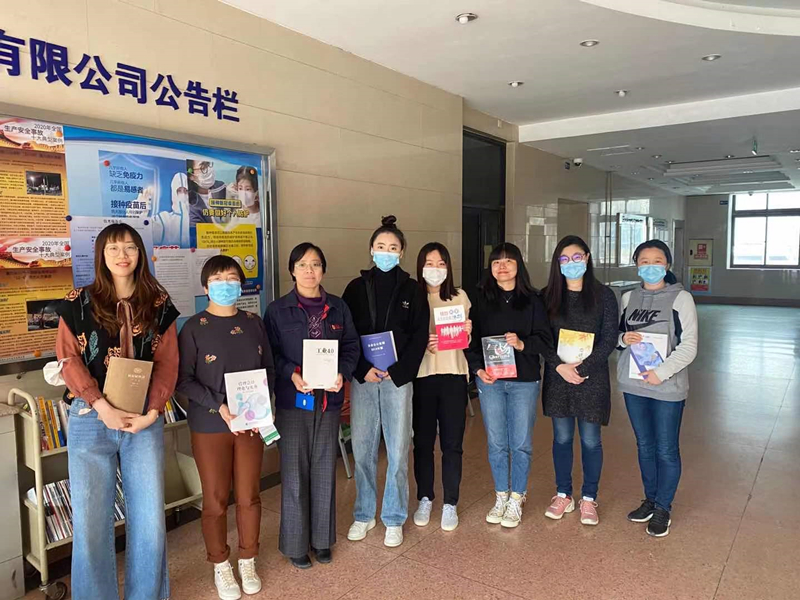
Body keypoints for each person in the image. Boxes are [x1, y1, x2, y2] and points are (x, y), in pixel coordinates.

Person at [56, 223, 179, 600]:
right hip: (91, 418)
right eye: (113, 248)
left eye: (130, 247)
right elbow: (67, 358)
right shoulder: (78, 301)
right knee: (91, 522)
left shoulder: (158, 302)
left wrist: (154, 412)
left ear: (140, 254)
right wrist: (100, 405)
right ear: (101, 255)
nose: (122, 255)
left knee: (149, 519)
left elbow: (168, 363)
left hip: (143, 418)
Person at [177, 255, 275, 599]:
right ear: (206, 287)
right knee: (216, 499)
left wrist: (260, 410)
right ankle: (221, 564)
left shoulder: (253, 322)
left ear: (241, 285)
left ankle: (248, 558)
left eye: (232, 278)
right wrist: (219, 405)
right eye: (218, 279)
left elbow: (268, 368)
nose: (226, 284)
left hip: (249, 424)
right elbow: (183, 380)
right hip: (210, 425)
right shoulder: (193, 327)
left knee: (249, 495)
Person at [265, 242, 359, 569]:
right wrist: (291, 373)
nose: (309, 270)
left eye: (315, 264)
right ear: (292, 270)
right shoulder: (277, 310)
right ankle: (295, 544)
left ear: (323, 270)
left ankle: (321, 541)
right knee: (294, 472)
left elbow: (351, 346)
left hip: (328, 400)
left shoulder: (338, 307)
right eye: (302, 265)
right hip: (294, 400)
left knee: (323, 469)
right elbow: (270, 354)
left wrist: (342, 373)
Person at [342, 216, 429, 548]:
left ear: (402, 252)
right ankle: (364, 513)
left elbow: (419, 336)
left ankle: (394, 517)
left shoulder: (412, 290)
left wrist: (399, 371)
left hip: (397, 379)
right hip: (364, 378)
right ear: (371, 249)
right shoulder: (354, 288)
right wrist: (361, 368)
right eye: (381, 246)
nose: (386, 252)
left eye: (393, 247)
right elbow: (346, 334)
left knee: (397, 448)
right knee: (363, 448)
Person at [465, 242, 552, 528]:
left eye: (508, 261)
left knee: (521, 443)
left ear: (518, 265)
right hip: (490, 381)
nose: (502, 267)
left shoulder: (534, 300)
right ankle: (501, 495)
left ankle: (518, 496)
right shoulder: (480, 299)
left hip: (524, 381)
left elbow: (545, 340)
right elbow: (470, 342)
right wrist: (477, 369)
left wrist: (522, 343)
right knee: (497, 442)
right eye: (496, 262)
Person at [618, 239, 698, 538]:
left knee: (666, 448)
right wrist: (622, 339)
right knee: (644, 445)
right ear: (636, 265)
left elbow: (689, 345)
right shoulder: (628, 297)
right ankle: (650, 500)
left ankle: (664, 506)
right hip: (634, 384)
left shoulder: (681, 299)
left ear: (667, 265)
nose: (650, 267)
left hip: (667, 387)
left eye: (657, 261)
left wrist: (661, 372)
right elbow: (617, 335)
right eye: (644, 261)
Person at [540, 236, 618, 526]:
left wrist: (583, 368)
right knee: (561, 438)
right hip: (558, 377)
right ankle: (563, 494)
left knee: (590, 440)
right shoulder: (547, 296)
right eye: (564, 259)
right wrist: (560, 366)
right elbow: (541, 338)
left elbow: (609, 338)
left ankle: (588, 497)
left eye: (576, 257)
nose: (571, 263)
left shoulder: (603, 296)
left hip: (591, 378)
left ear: (586, 258)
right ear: (557, 263)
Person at [412, 242, 472, 532]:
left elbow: (467, 340)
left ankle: (450, 502)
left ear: (448, 267)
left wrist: (468, 331)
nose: (435, 269)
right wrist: (421, 343)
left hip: (453, 376)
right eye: (429, 263)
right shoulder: (412, 298)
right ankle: (425, 497)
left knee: (452, 443)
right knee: (423, 443)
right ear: (420, 266)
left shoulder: (460, 297)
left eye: (441, 264)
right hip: (422, 377)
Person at [152, 172, 191, 247]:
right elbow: (145, 233)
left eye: (186, 191)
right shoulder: (164, 219)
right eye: (179, 191)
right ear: (173, 192)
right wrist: (140, 215)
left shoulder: (196, 218)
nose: (183, 194)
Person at [187, 159, 227, 225]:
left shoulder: (221, 186)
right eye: (203, 167)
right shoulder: (191, 205)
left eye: (208, 164)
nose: (209, 169)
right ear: (191, 175)